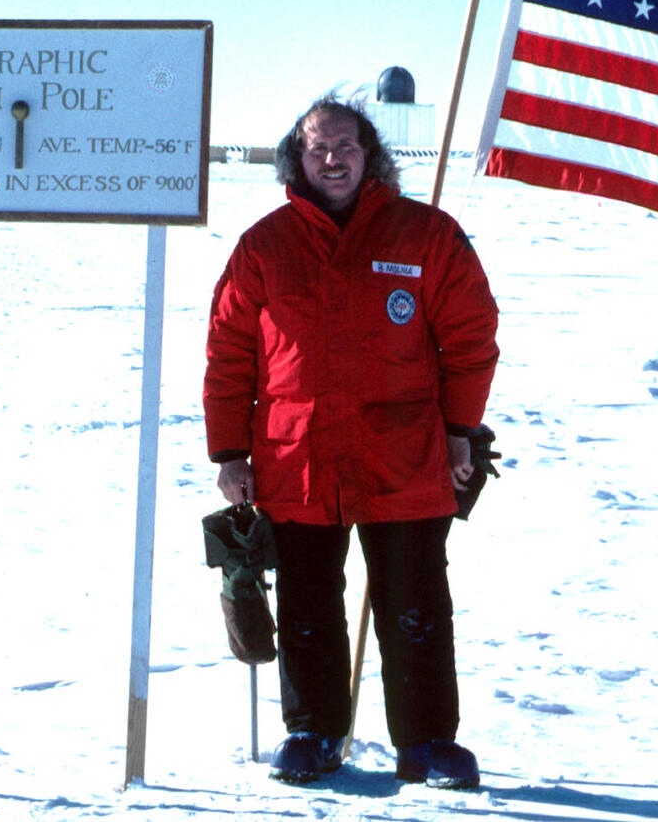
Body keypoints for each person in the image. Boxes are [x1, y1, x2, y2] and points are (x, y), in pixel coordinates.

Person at [203, 94, 499, 789]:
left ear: (370, 156)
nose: (331, 158)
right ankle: (314, 730)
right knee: (306, 601)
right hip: (296, 456)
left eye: (345, 146)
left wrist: (460, 430)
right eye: (317, 148)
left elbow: (470, 337)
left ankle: (426, 742)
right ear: (297, 160)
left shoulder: (425, 235)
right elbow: (229, 354)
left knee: (415, 600)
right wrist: (229, 454)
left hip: (405, 455)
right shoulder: (264, 246)